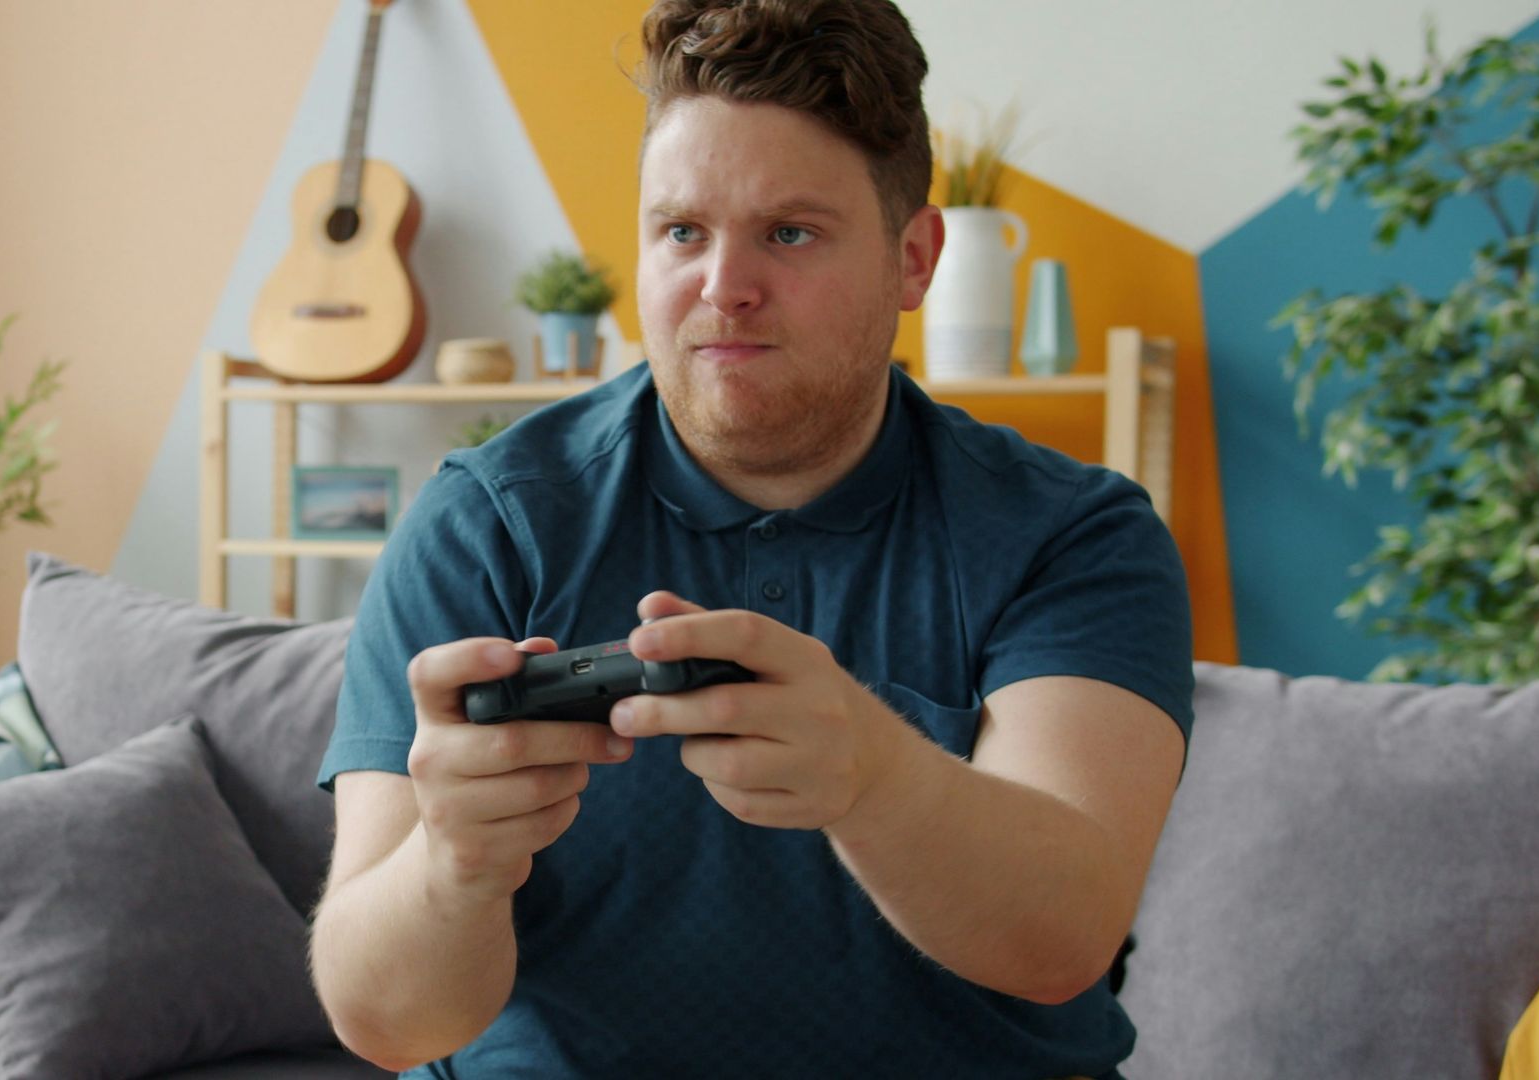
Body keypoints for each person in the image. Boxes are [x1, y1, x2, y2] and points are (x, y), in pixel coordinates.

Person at [309, 0, 1193, 1076]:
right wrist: (453, 861)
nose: (723, 288)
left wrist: (872, 775)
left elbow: (1064, 940)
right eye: (682, 231)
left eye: (790, 233)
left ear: (913, 260)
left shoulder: (1072, 534)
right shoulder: (487, 523)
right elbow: (385, 1024)